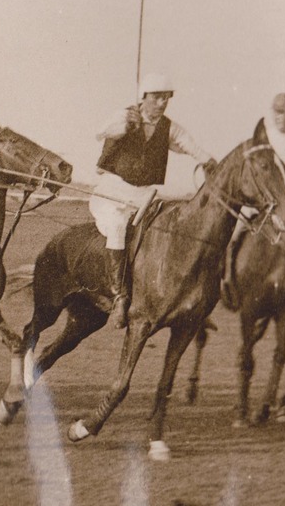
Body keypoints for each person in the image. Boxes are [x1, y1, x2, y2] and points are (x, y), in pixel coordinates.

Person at [91, 73, 215, 327]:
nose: (162, 103)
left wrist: (209, 161)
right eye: (157, 97)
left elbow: (189, 144)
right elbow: (101, 132)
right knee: (116, 228)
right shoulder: (124, 116)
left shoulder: (169, 127)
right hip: (111, 192)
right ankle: (119, 297)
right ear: (144, 97)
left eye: (166, 98)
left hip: (143, 196)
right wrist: (126, 125)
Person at [222, 92, 285, 303]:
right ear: (272, 113)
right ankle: (228, 275)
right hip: (262, 196)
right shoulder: (266, 136)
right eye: (279, 112)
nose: (283, 117)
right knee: (235, 230)